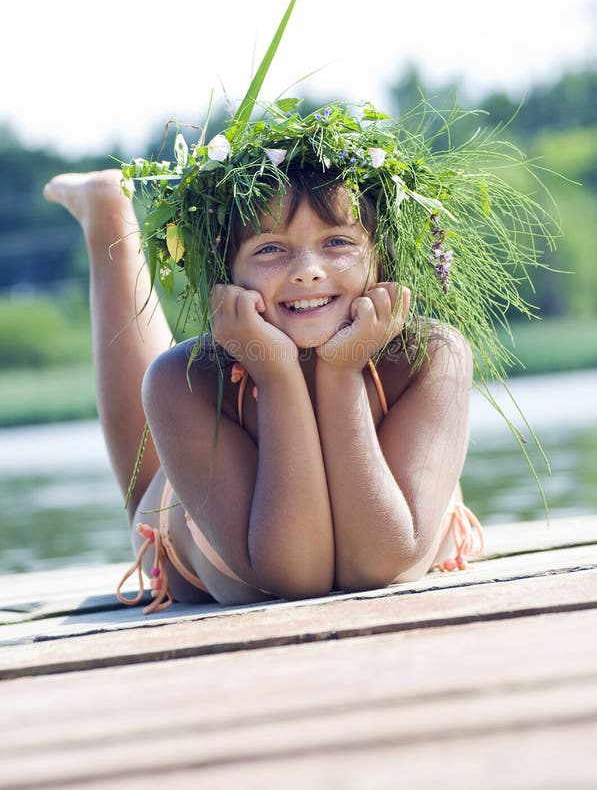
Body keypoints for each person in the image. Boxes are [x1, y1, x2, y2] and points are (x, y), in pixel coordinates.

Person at [44, 116, 488, 613]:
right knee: (150, 463)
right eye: (271, 249)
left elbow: (377, 563)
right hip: (190, 517)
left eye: (337, 242)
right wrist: (275, 375)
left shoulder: (430, 357)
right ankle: (110, 217)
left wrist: (342, 373)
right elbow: (294, 576)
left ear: (380, 256)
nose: (307, 271)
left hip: (392, 509)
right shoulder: (182, 384)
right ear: (225, 270)